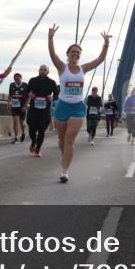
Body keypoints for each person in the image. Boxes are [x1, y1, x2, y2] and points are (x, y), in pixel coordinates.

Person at [48, 25, 111, 183]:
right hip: (62, 106)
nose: (75, 54)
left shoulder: (83, 69)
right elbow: (52, 54)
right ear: (68, 55)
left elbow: (100, 60)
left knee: (70, 138)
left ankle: (64, 171)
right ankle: (65, 156)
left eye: (78, 52)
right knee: (62, 140)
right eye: (72, 51)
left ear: (79, 56)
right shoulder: (62, 67)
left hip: (77, 108)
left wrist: (106, 44)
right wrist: (50, 37)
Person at [25, 65, 57, 157]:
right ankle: (33, 141)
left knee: (42, 130)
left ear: (48, 72)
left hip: (45, 110)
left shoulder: (51, 82)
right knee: (31, 128)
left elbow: (57, 94)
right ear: (39, 71)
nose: (42, 71)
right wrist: (30, 94)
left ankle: (38, 149)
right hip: (33, 109)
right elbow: (27, 91)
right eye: (41, 70)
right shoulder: (32, 80)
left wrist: (52, 97)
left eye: (45, 70)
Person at [8, 73, 29, 144]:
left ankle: (23, 132)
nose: (16, 80)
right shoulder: (11, 85)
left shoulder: (25, 85)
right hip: (14, 105)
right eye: (15, 79)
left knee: (22, 122)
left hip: (22, 106)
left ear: (21, 78)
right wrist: (8, 103)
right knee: (15, 120)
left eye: (18, 78)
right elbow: (10, 95)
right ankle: (16, 137)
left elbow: (28, 97)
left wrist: (25, 106)